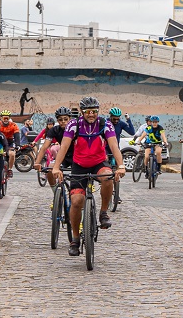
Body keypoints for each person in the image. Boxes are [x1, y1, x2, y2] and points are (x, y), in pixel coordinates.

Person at [51, 96, 126, 257]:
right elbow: (64, 146)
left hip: (99, 163)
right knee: (77, 201)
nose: (91, 114)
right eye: (87, 111)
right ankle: (75, 239)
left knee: (108, 177)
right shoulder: (74, 124)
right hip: (79, 165)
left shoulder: (105, 124)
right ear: (82, 112)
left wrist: (120, 166)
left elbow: (114, 145)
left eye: (94, 111)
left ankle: (103, 212)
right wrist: (56, 167)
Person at [34, 109, 73, 189]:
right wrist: (37, 163)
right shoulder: (54, 130)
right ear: (57, 121)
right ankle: (55, 192)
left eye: (66, 119)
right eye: (60, 120)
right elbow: (44, 147)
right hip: (63, 156)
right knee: (50, 170)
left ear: (70, 119)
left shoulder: (76, 129)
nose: (63, 121)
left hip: (76, 156)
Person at [0, 110, 20, 178]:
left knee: (12, 154)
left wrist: (17, 145)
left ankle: (10, 169)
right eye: (4, 118)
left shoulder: (13, 125)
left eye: (7, 118)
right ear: (1, 118)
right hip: (0, 142)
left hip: (10, 142)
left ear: (9, 118)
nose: (5, 120)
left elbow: (17, 135)